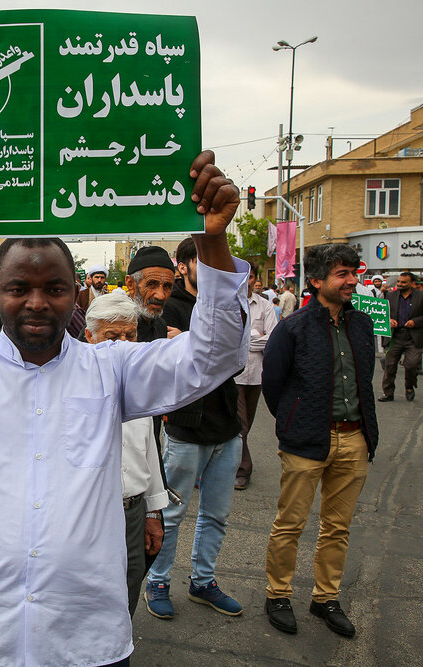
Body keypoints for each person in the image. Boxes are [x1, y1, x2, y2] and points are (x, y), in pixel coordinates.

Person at [0, 143, 247, 666]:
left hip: (84, 640)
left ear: (75, 295)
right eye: (19, 288)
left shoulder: (112, 369)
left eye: (54, 288)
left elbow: (215, 355)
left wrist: (213, 240)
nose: (37, 302)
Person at [262, 244, 379, 638]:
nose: (351, 281)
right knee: (290, 523)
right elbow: (273, 384)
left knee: (337, 527)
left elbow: (365, 380)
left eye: (352, 272)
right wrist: (297, 422)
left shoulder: (361, 324)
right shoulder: (293, 326)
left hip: (354, 440)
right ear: (316, 281)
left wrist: (362, 433)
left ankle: (325, 598)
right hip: (306, 442)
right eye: (342, 274)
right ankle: (277, 594)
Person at [144, 236, 244, 621]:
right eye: (203, 262)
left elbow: (234, 359)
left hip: (227, 427)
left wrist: (188, 342)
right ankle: (158, 582)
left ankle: (204, 581)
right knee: (171, 514)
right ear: (184, 266)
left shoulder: (223, 305)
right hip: (185, 428)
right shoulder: (169, 307)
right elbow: (166, 362)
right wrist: (192, 344)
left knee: (216, 514)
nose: (213, 270)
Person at [83, 291, 167, 617]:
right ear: (89, 337)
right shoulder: (68, 385)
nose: (123, 344)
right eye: (111, 336)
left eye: (130, 335)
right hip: (90, 513)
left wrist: (152, 513)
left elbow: (147, 448)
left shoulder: (138, 380)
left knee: (131, 581)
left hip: (133, 511)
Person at [234, 262, 279, 490]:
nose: (247, 281)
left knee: (246, 424)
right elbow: (228, 340)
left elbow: (272, 339)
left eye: (251, 277)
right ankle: (243, 470)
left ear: (255, 279)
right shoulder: (230, 304)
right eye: (243, 277)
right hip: (233, 376)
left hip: (256, 376)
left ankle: (229, 459)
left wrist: (245, 340)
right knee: (240, 424)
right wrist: (254, 337)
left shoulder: (265, 306)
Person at [379, 272, 423, 402]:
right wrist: (389, 320)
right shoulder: (390, 296)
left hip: (413, 338)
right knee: (390, 366)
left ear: (412, 284)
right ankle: (388, 393)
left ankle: (409, 387)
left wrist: (416, 322)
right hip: (395, 336)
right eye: (398, 282)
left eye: (403, 282)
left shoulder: (420, 297)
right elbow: (382, 313)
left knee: (411, 365)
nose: (399, 284)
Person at [124, 247, 176, 343]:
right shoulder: (114, 324)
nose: (161, 296)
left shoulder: (160, 325)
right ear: (130, 284)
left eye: (167, 286)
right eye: (151, 284)